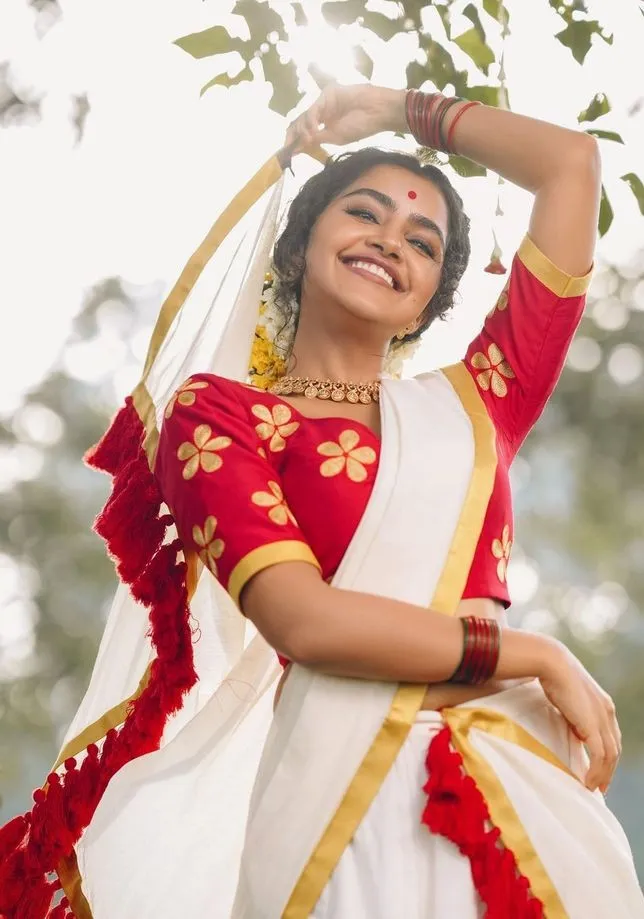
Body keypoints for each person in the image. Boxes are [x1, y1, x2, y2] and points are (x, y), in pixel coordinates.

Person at [1, 84, 643, 919]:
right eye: (364, 213)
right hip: (349, 809)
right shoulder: (226, 416)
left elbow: (570, 163)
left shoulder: (480, 403)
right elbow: (305, 621)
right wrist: (538, 654)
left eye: (422, 240)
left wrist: (398, 110)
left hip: (525, 787)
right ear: (301, 240)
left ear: (431, 296)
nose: (390, 239)